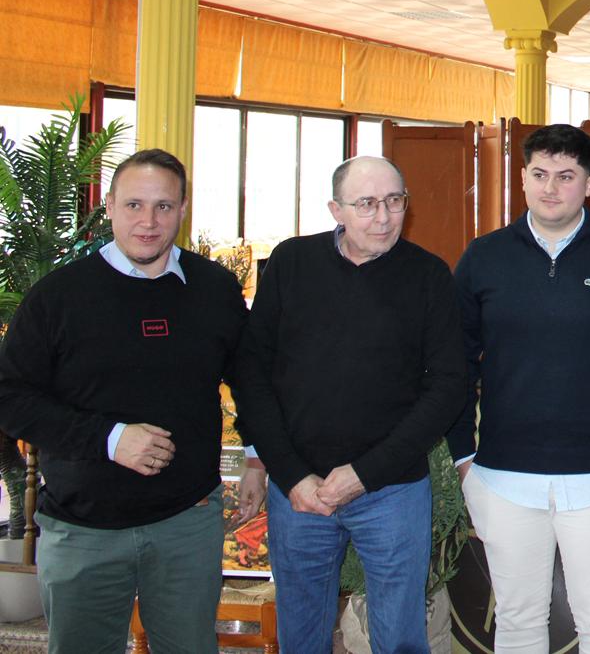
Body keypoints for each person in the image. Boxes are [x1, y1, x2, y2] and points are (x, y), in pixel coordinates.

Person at [0, 148, 263, 654]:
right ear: (110, 206)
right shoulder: (58, 296)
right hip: (83, 527)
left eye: (163, 206)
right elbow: (10, 397)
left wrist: (256, 457)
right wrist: (110, 438)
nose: (148, 221)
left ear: (182, 209)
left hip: (187, 521)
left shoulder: (214, 289)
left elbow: (251, 378)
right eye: (134, 205)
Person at [233, 155, 467, 654]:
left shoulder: (428, 275)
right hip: (300, 492)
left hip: (392, 491)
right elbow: (252, 372)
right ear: (335, 210)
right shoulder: (291, 263)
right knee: (301, 638)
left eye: (394, 201)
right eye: (366, 204)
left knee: (400, 640)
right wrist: (289, 473)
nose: (383, 217)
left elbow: (448, 387)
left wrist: (365, 473)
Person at [451, 123, 590, 654]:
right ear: (523, 177)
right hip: (502, 475)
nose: (551, 188)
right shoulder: (484, 257)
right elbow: (454, 364)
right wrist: (463, 456)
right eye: (540, 174)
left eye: (566, 176)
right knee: (518, 620)